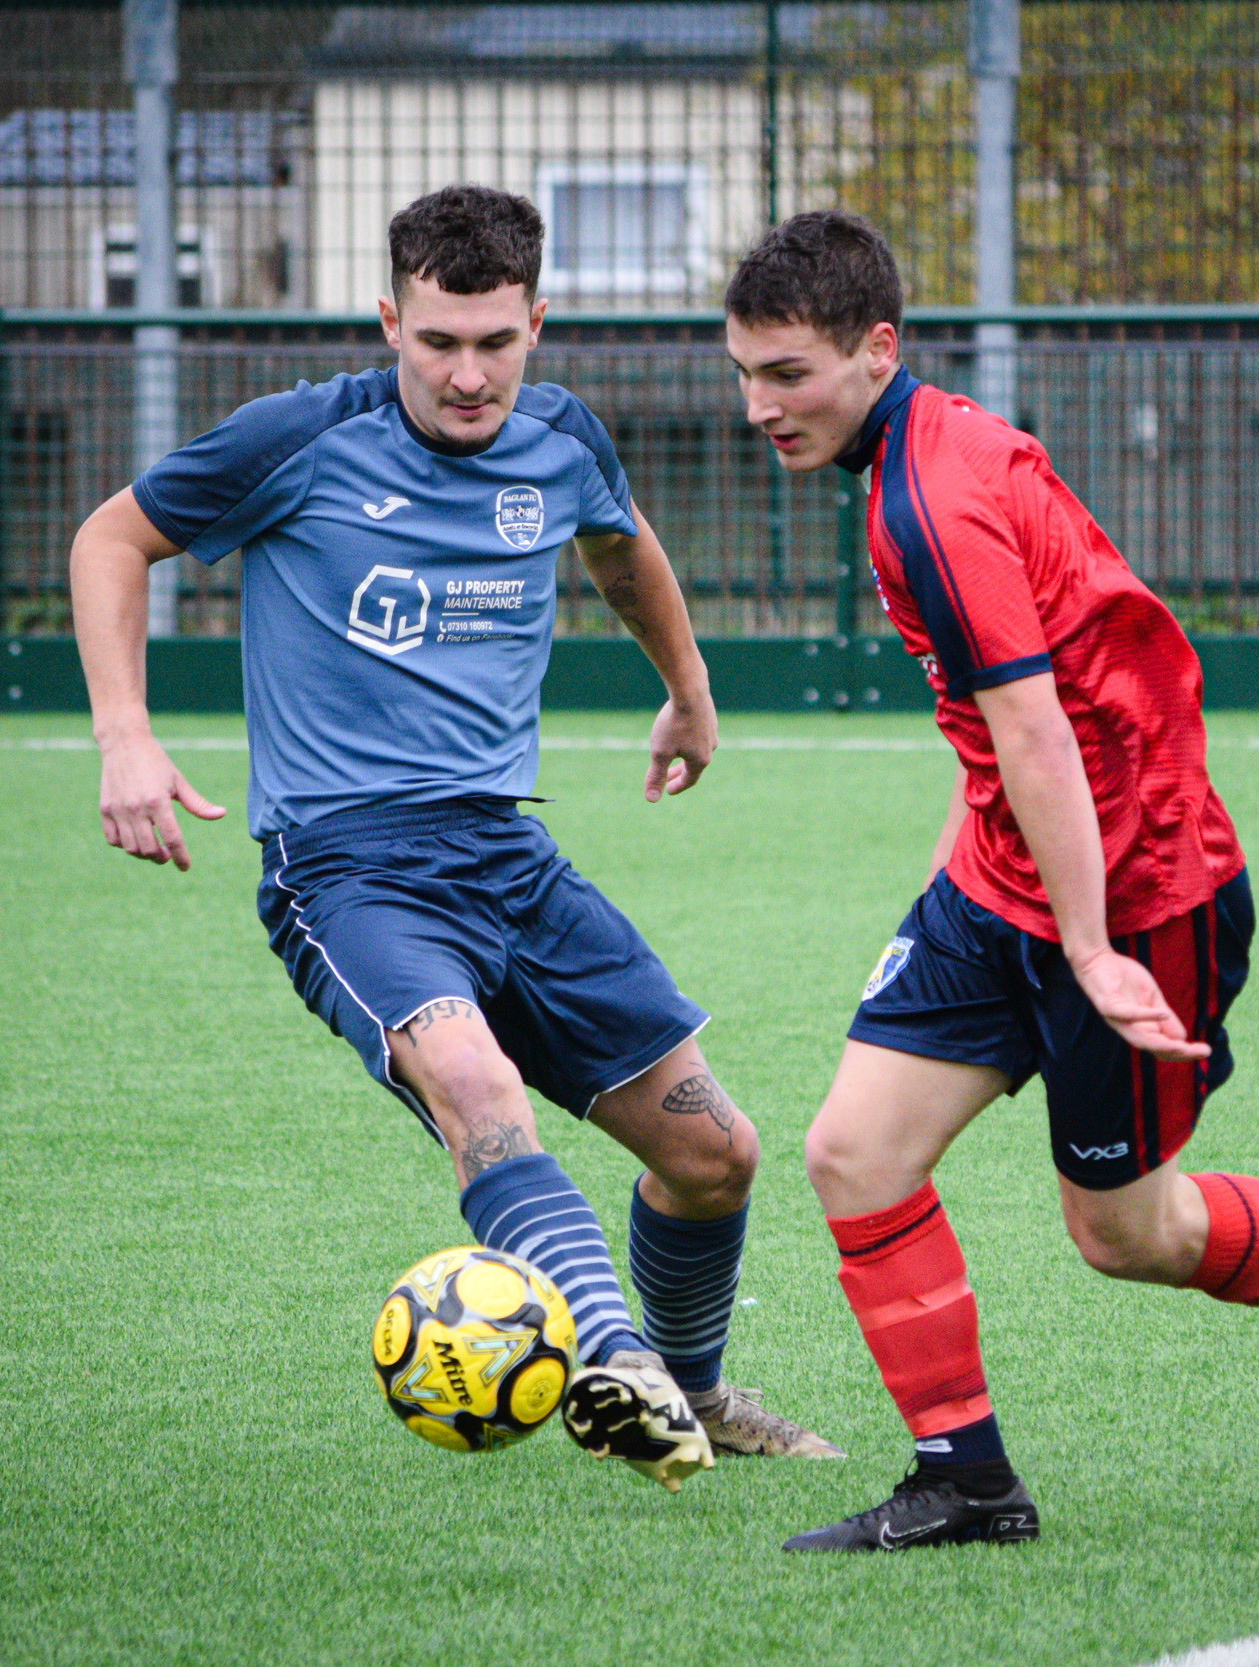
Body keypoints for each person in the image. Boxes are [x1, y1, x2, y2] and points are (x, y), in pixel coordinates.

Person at [69, 184, 841, 1492]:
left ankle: (695, 1392)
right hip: (348, 872)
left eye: (494, 343)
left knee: (716, 1153)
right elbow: (112, 537)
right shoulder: (300, 438)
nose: (467, 376)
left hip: (507, 861)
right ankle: (614, 1364)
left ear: (537, 324)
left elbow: (622, 549)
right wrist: (124, 735)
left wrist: (689, 689)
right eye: (436, 343)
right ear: (391, 323)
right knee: (479, 1096)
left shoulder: (560, 439)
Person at [722, 211, 1259, 1550]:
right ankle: (966, 1483)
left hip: (1139, 895)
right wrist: (965, 877)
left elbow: (1039, 729)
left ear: (876, 349)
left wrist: (1092, 948)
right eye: (745, 374)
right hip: (1004, 879)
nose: (760, 406)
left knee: (1123, 1234)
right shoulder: (918, 453)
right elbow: (1010, 716)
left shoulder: (930, 502)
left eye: (788, 375)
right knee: (853, 1155)